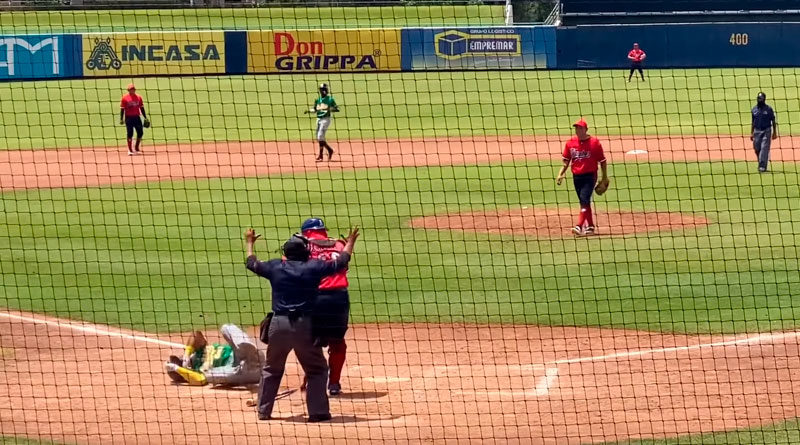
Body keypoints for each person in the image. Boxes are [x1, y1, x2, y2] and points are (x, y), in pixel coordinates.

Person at [245, 226, 360, 422]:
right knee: (316, 369)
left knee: (271, 369)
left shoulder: (274, 267)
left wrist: (249, 243)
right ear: (306, 252)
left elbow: (251, 263)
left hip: (278, 325)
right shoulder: (313, 267)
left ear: (285, 253)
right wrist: (350, 242)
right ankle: (318, 413)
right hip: (304, 326)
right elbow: (341, 262)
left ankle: (263, 412)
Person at [299, 218, 351, 396]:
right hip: (339, 299)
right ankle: (334, 384)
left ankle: (312, 377)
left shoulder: (302, 246)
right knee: (338, 342)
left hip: (313, 300)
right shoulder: (339, 244)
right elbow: (345, 266)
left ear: (306, 232)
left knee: (310, 342)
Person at [556, 118, 609, 236]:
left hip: (590, 176)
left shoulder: (594, 143)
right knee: (583, 202)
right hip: (576, 176)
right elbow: (566, 161)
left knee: (584, 199)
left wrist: (604, 177)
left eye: (580, 128)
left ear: (586, 129)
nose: (578, 130)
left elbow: (603, 161)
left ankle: (579, 226)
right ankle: (590, 226)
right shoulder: (570, 143)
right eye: (576, 128)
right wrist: (560, 173)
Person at [164, 324, 262, 387]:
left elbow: (196, 334)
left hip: (239, 354)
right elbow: (200, 380)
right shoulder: (197, 371)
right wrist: (178, 369)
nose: (180, 357)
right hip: (238, 369)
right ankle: (249, 362)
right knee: (209, 376)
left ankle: (247, 348)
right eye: (179, 359)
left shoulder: (198, 350)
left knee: (226, 327)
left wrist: (187, 353)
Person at [306, 83, 339, 162]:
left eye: (324, 89)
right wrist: (309, 111)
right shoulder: (317, 100)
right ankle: (326, 152)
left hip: (326, 119)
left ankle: (323, 154)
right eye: (322, 89)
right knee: (319, 138)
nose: (323, 91)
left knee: (320, 136)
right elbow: (315, 110)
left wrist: (329, 109)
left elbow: (337, 109)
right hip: (318, 119)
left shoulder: (330, 99)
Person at [119, 84, 150, 156]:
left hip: (137, 117)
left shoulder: (139, 97)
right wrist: (121, 118)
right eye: (131, 89)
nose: (132, 90)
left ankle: (136, 147)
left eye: (133, 89)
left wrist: (145, 117)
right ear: (128, 90)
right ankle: (130, 150)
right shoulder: (124, 98)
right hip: (128, 118)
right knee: (130, 133)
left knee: (140, 132)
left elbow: (141, 108)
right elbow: (122, 109)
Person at [751, 92, 778, 173]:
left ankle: (762, 166)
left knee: (764, 148)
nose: (759, 100)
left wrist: (774, 132)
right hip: (757, 131)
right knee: (757, 149)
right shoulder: (754, 109)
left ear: (764, 99)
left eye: (761, 99)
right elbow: (753, 122)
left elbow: (773, 121)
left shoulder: (769, 109)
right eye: (758, 98)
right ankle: (761, 161)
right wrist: (751, 132)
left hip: (766, 130)